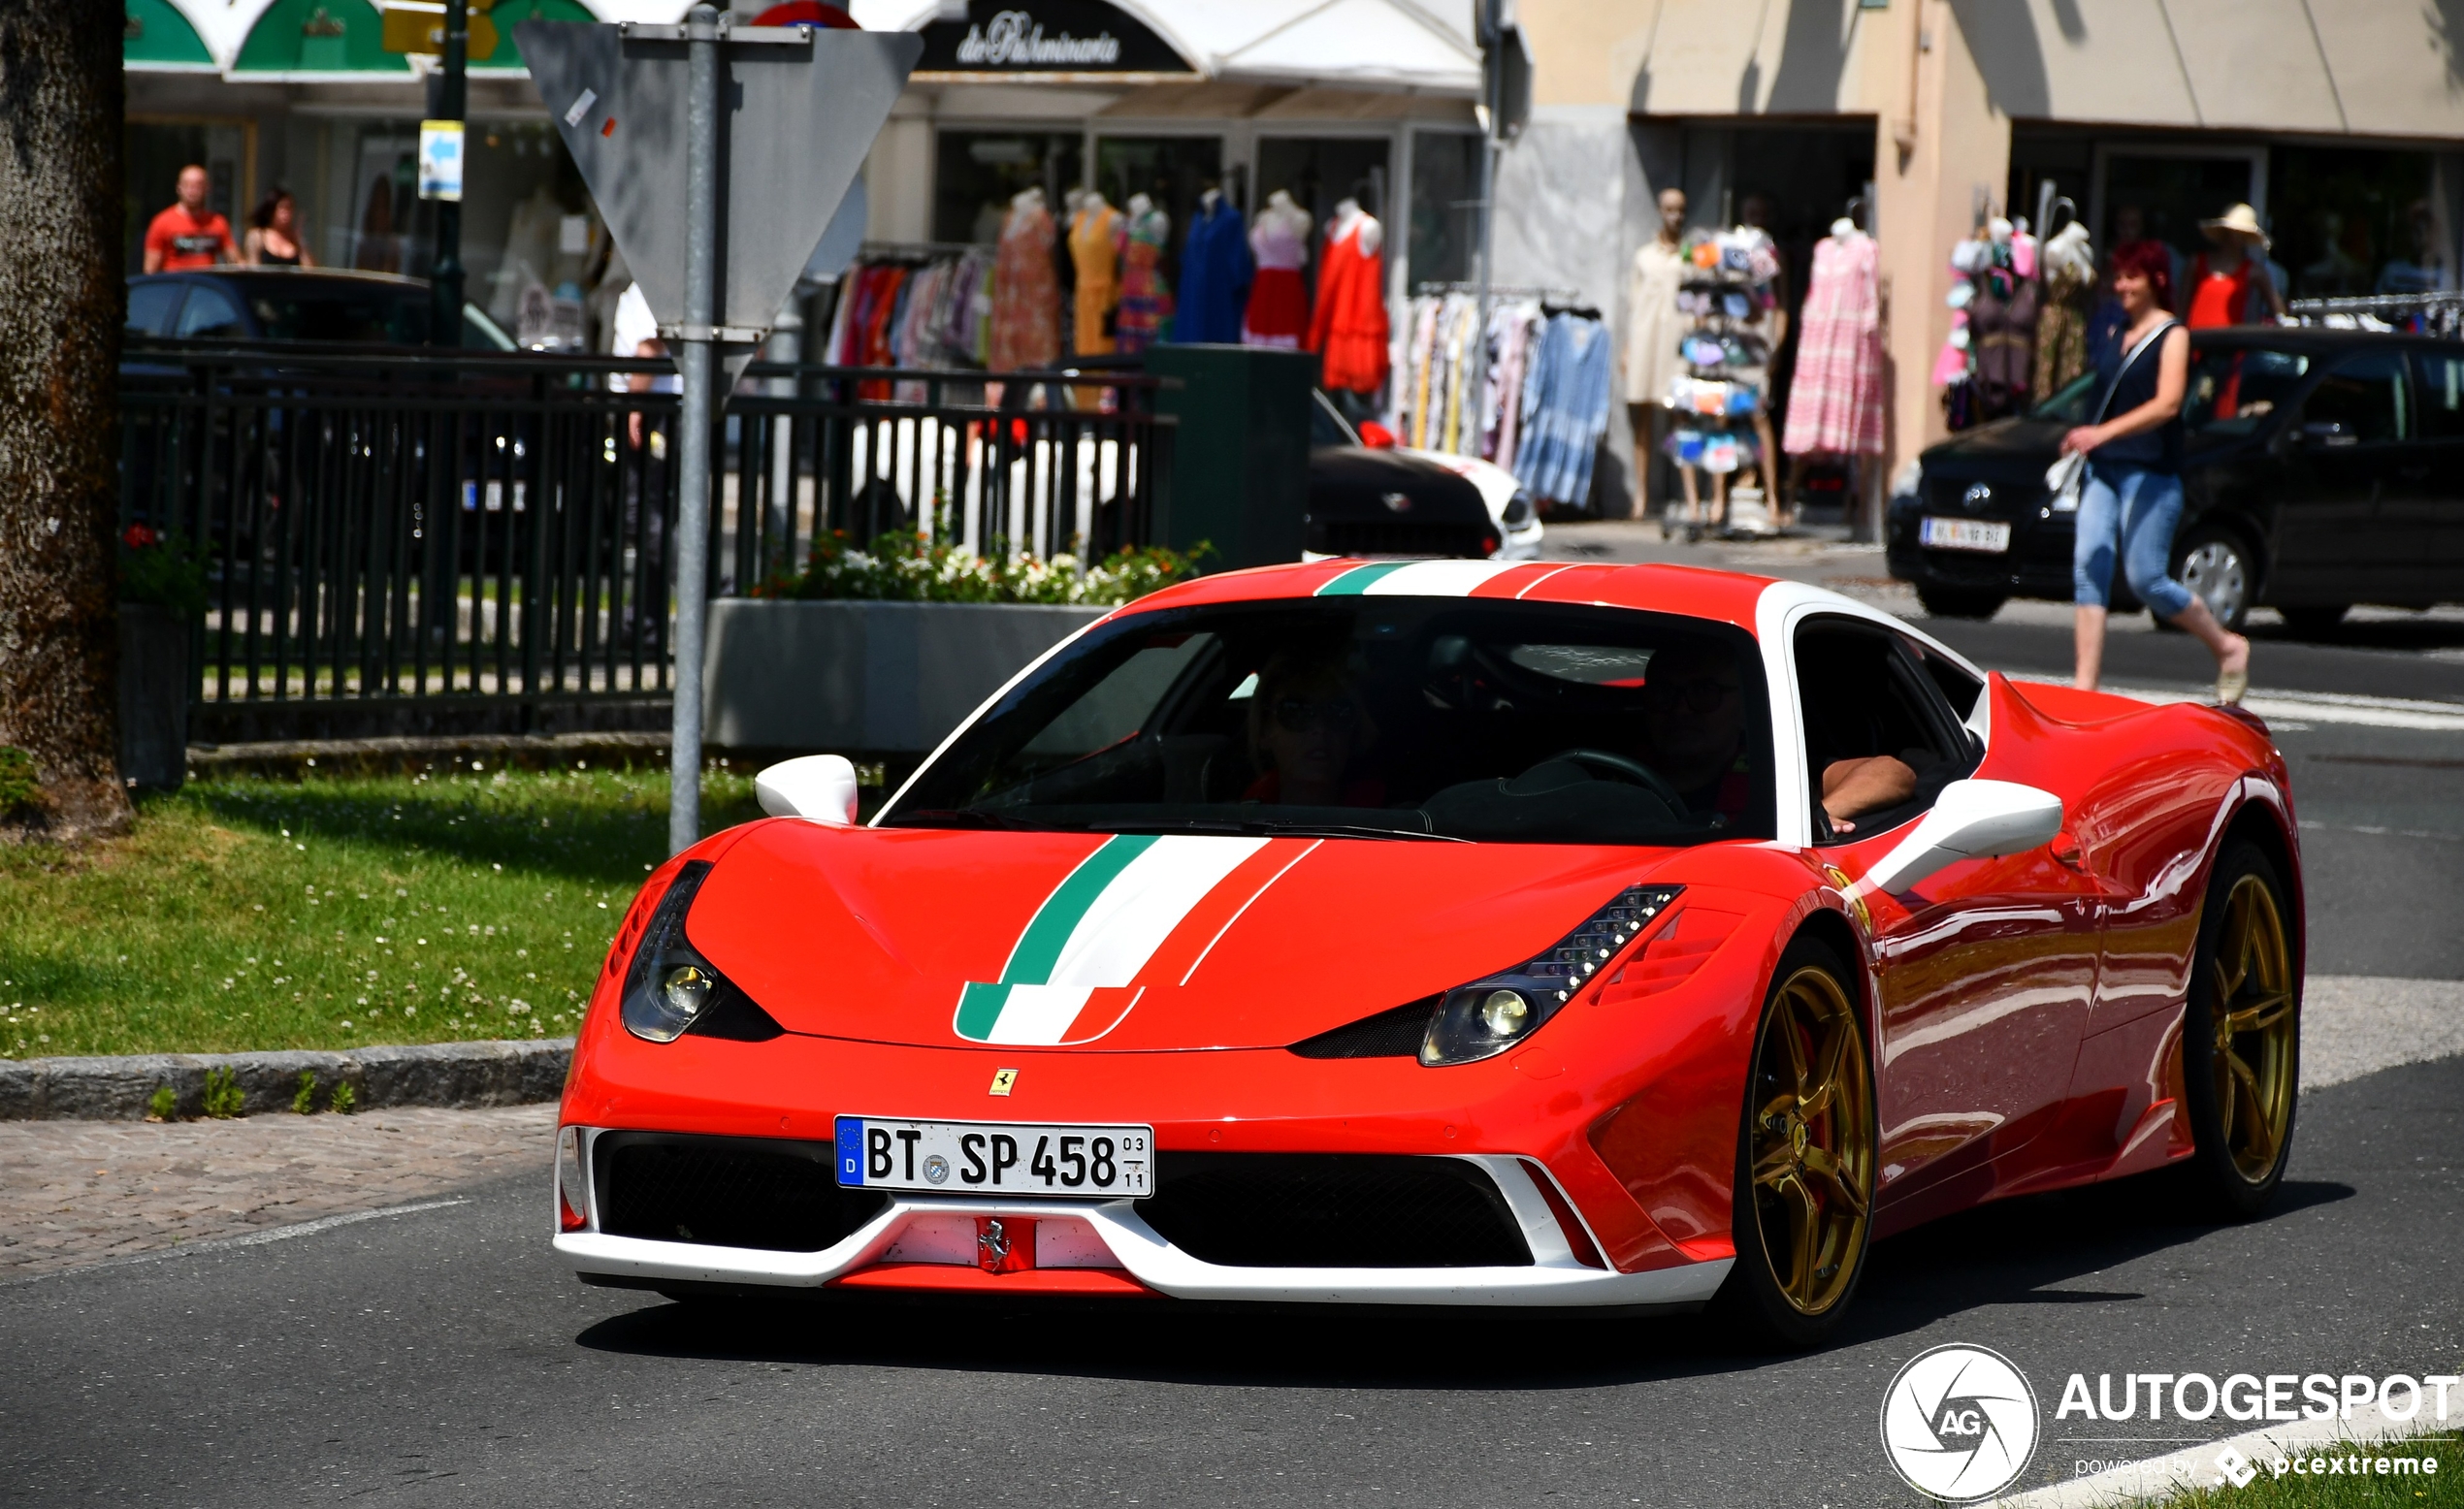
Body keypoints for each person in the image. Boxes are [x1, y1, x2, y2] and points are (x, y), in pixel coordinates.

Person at [2061, 241, 2251, 704]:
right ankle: (2085, 687)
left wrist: (2101, 433)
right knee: (2089, 569)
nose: (2122, 285)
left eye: (2132, 277)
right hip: (2103, 471)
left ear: (2156, 281)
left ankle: (2227, 645)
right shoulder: (2114, 330)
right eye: (2119, 276)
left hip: (2150, 472)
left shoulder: (2173, 335)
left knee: (2146, 578)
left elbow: (2167, 404)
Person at [1636, 641, 1912, 832]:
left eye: (1705, 692)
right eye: (1664, 693)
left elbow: (1891, 772)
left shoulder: (1780, 775)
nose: (1681, 709)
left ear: (1745, 709)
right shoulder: (1605, 772)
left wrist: (1816, 818)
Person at [1244, 647, 1381, 807]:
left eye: (1337, 712)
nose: (1320, 728)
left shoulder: (1398, 820)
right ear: (1263, 731)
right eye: (1296, 712)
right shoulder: (1233, 820)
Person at [2184, 203, 2285, 329]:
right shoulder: (2196, 263)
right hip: (2195, 342)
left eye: (2242, 234)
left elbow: (2279, 312)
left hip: (2230, 343)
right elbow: (2181, 309)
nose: (2236, 238)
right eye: (2233, 232)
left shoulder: (2253, 271)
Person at [143, 165, 236, 273]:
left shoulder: (217, 222)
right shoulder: (162, 222)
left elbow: (235, 261)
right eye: (187, 185)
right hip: (176, 286)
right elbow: (150, 270)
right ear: (178, 187)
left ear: (207, 188)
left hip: (206, 286)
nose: (192, 190)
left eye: (198, 185)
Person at [242, 188, 315, 268]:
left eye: (290, 208)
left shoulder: (296, 240)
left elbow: (310, 271)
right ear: (271, 210)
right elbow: (253, 269)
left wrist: (300, 243)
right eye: (282, 208)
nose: (286, 213)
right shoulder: (257, 236)